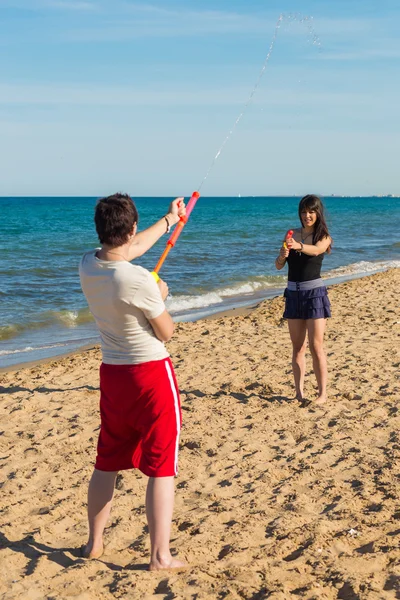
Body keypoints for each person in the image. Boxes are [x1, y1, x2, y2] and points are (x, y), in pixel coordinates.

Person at [79, 192, 186, 570]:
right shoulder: (139, 280)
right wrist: (161, 296)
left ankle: (94, 543)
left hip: (113, 376)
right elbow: (166, 332)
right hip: (149, 376)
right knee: (161, 465)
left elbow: (128, 249)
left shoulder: (88, 264)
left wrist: (170, 220)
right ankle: (160, 556)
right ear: (131, 228)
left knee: (106, 459)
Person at [275, 194, 332, 406]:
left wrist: (298, 247)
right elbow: (279, 265)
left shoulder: (323, 236)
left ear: (318, 213)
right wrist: (283, 254)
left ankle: (322, 394)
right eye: (304, 211)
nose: (307, 215)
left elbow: (317, 250)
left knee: (316, 346)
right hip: (293, 294)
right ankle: (298, 393)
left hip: (314, 294)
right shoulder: (292, 234)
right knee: (297, 347)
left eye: (311, 211)